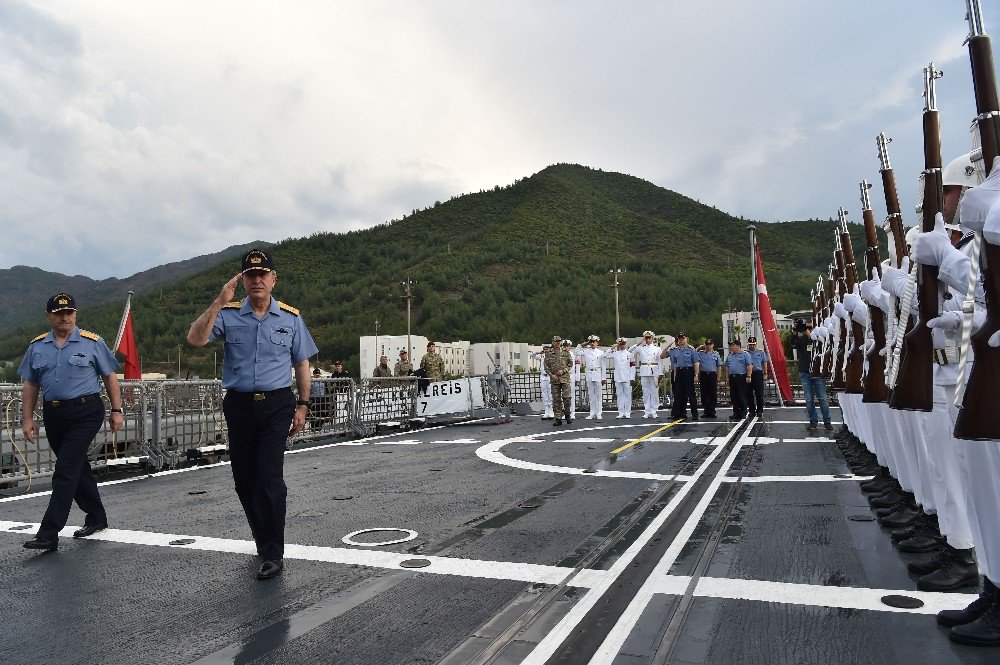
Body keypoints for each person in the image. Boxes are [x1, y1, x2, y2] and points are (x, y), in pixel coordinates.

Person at [187, 248, 317, 581]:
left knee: (270, 477)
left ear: (273, 280)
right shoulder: (229, 314)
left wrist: (303, 404)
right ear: (243, 280)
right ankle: (263, 540)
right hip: (240, 405)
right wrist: (218, 301)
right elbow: (196, 339)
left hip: (277, 404)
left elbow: (302, 363)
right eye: (250, 275)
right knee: (244, 480)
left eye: (263, 275)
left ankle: (274, 552)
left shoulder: (290, 318)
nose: (257, 280)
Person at [18, 293, 124, 552]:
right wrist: (28, 418)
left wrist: (117, 410)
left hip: (86, 411)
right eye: (58, 313)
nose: (64, 317)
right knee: (77, 467)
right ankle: (97, 517)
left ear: (75, 314)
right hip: (54, 414)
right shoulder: (37, 347)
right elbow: (31, 384)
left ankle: (49, 533)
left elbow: (110, 378)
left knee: (65, 469)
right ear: (48, 316)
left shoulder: (92, 342)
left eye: (69, 313)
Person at [790, 320, 831, 431]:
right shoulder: (801, 340)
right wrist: (794, 331)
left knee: (822, 398)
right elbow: (793, 344)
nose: (808, 329)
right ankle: (813, 422)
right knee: (809, 399)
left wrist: (811, 335)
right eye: (806, 328)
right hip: (805, 372)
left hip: (817, 373)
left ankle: (827, 421)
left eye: (810, 327)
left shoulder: (819, 340)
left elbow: (824, 347)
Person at [665, 331, 698, 420]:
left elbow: (696, 363)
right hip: (679, 372)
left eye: (682, 339)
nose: (681, 341)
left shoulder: (691, 349)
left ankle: (694, 414)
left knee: (691, 394)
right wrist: (675, 376)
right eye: (679, 339)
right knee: (678, 393)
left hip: (688, 371)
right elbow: (675, 364)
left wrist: (696, 375)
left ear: (685, 339)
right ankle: (676, 413)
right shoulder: (675, 350)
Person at [629, 331, 662, 418]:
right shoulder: (641, 348)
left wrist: (661, 373)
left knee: (654, 392)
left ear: (652, 338)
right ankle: (647, 411)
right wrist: (639, 343)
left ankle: (654, 411)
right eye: (646, 338)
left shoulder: (657, 349)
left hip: (654, 371)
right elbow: (630, 351)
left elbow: (660, 361)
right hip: (644, 371)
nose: (647, 340)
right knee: (646, 392)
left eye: (649, 338)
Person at [544, 335, 573, 426]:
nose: (558, 343)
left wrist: (563, 371)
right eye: (556, 341)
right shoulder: (549, 353)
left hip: (564, 378)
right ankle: (558, 418)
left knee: (567, 398)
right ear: (552, 342)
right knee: (556, 400)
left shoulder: (565, 352)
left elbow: (570, 364)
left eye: (559, 341)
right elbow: (546, 366)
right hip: (554, 379)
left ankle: (567, 414)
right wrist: (551, 375)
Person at [604, 337, 636, 418]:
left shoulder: (630, 354)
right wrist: (613, 347)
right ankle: (621, 412)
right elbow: (606, 355)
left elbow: (633, 366)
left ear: (626, 344)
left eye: (624, 344)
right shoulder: (615, 353)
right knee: (619, 395)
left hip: (627, 377)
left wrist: (632, 377)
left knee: (628, 395)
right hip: (618, 377)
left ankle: (627, 412)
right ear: (619, 345)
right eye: (621, 344)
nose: (622, 346)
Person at [723, 339, 751, 421]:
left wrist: (748, 376)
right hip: (732, 377)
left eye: (733, 345)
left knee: (741, 395)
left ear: (738, 346)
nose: (731, 347)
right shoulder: (730, 355)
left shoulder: (745, 354)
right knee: (733, 396)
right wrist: (727, 377)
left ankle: (743, 412)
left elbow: (749, 365)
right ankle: (736, 412)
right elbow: (727, 366)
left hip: (741, 376)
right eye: (731, 345)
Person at [579, 335, 606, 420]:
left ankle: (599, 413)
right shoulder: (586, 351)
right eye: (591, 342)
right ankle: (592, 412)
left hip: (597, 373)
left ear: (597, 342)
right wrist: (585, 343)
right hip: (589, 373)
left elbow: (603, 366)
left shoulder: (600, 352)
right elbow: (576, 351)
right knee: (591, 395)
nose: (592, 343)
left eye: (594, 342)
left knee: (598, 395)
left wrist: (603, 377)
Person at [695, 339, 721, 418]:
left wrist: (718, 377)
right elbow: (693, 354)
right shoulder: (701, 353)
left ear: (713, 345)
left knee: (713, 394)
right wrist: (699, 347)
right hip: (703, 375)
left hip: (712, 375)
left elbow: (719, 366)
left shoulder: (716, 354)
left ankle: (712, 411)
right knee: (704, 394)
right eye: (707, 344)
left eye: (710, 344)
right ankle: (706, 411)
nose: (708, 346)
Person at [746, 336, 771, 417]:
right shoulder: (745, 353)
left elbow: (764, 363)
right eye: (750, 344)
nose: (752, 346)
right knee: (749, 393)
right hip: (748, 374)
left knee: (759, 393)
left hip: (758, 373)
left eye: (753, 344)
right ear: (748, 344)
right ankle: (751, 410)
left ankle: (759, 410)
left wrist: (765, 373)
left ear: (755, 344)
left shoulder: (760, 352)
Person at [530, 344, 555, 419]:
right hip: (543, 376)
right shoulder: (542, 357)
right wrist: (539, 352)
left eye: (547, 349)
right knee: (544, 394)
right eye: (544, 349)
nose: (546, 350)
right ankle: (546, 411)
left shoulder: (552, 357)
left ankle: (551, 411)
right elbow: (532, 355)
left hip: (550, 376)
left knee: (550, 393)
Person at [563, 339, 580, 418]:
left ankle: (572, 412)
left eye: (567, 346)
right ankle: (565, 412)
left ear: (570, 346)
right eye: (564, 346)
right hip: (563, 376)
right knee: (563, 396)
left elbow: (577, 366)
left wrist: (577, 377)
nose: (566, 347)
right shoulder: (560, 355)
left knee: (571, 395)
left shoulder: (573, 355)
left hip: (571, 375)